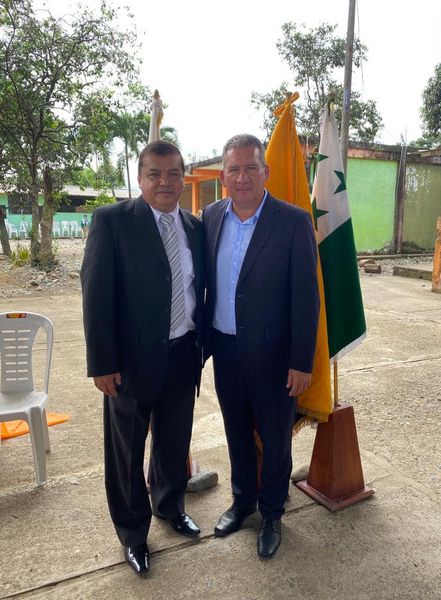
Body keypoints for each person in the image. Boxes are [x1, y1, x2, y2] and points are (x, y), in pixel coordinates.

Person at [81, 141, 204, 576]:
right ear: (140, 178)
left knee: (173, 443)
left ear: (183, 178)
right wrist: (102, 362)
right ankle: (133, 534)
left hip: (183, 354)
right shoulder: (112, 221)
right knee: (126, 453)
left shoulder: (195, 227)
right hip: (129, 364)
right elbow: (96, 294)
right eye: (155, 174)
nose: (164, 182)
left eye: (173, 173)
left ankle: (169, 506)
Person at [203, 134, 319, 559]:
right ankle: (242, 503)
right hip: (225, 350)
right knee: (235, 431)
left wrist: (301, 361)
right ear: (223, 176)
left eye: (251, 167)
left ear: (265, 172)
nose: (243, 177)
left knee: (275, 439)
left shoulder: (292, 222)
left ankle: (272, 514)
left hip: (274, 357)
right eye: (234, 169)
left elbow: (306, 297)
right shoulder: (210, 216)